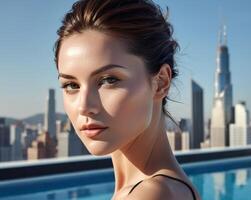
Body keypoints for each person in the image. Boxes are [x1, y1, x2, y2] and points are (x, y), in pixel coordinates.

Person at [54, 0, 201, 199]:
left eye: (108, 80)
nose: (84, 106)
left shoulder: (151, 194)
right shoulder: (170, 188)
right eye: (71, 85)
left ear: (161, 82)